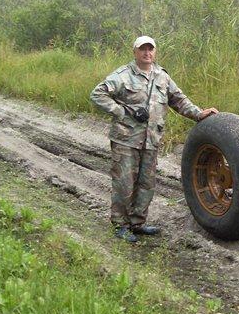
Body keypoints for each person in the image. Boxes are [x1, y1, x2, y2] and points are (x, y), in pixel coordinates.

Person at [90, 36, 217, 243]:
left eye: (150, 49)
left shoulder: (162, 77)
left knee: (146, 184)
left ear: (155, 52)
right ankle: (120, 225)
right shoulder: (122, 76)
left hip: (151, 140)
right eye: (142, 49)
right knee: (124, 183)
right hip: (126, 140)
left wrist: (199, 114)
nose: (147, 53)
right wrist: (120, 112)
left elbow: (179, 100)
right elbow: (98, 94)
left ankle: (137, 223)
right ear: (135, 52)